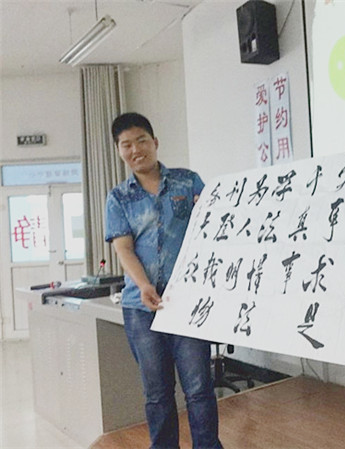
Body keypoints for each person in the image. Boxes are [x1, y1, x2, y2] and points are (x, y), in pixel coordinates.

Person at [105, 112, 223, 449]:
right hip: (141, 308)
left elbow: (216, 223)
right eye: (126, 144)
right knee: (157, 393)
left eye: (141, 140)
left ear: (155, 142)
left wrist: (211, 211)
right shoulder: (119, 198)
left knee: (199, 388)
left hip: (187, 303)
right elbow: (124, 248)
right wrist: (144, 285)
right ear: (119, 151)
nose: (136, 149)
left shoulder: (188, 182)